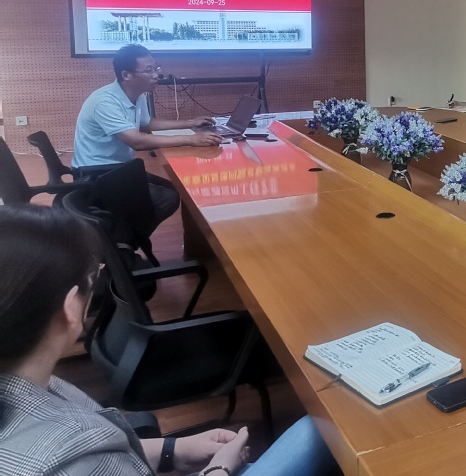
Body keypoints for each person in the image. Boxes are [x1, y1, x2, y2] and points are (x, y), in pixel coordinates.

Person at [0, 204, 338, 476]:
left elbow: (102, 449)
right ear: (71, 307)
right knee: (323, 432)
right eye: (93, 276)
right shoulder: (68, 460)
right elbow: (89, 457)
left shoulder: (25, 379)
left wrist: (171, 450)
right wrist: (219, 468)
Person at [72, 45, 221, 238]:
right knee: (166, 198)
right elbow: (137, 142)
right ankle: (120, 243)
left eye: (156, 68)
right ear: (126, 75)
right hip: (96, 174)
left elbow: (147, 124)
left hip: (119, 169)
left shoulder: (137, 94)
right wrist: (191, 139)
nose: (156, 75)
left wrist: (190, 123)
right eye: (148, 70)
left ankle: (123, 236)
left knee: (174, 189)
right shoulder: (105, 102)